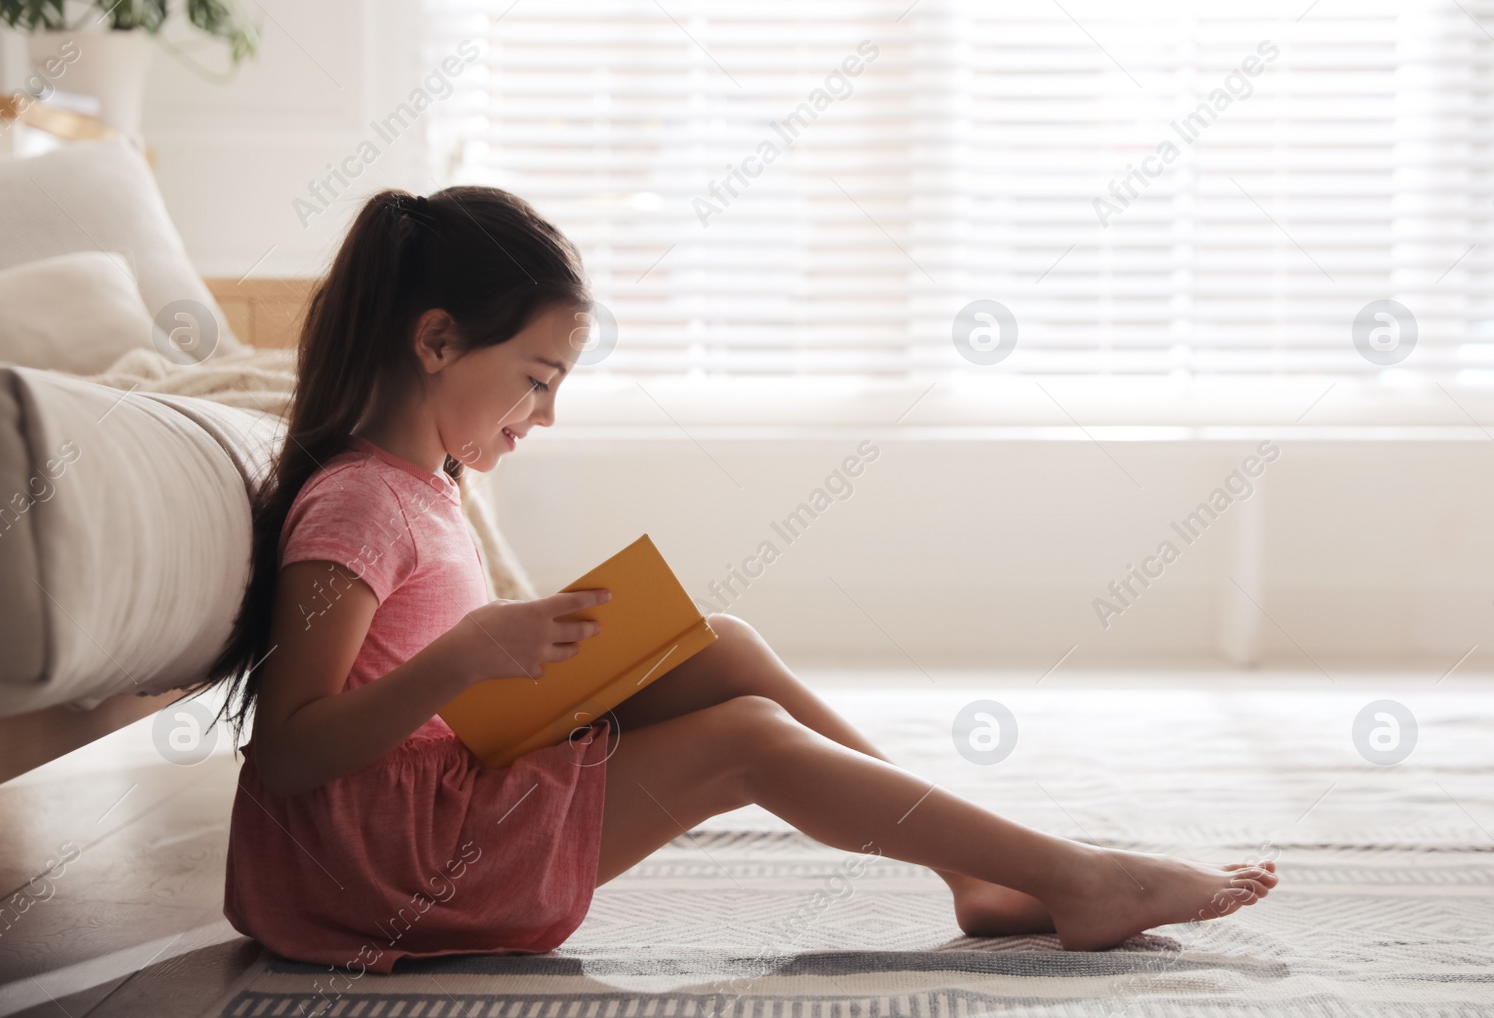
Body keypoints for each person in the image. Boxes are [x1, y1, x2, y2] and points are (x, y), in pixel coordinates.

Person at [203, 186, 1277, 974]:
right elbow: (295, 746)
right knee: (746, 734)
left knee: (714, 641)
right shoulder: (353, 502)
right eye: (535, 381)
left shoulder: (420, 486)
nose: (544, 416)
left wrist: (506, 667)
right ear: (437, 340)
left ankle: (979, 867)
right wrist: (469, 656)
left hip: (427, 804)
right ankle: (1077, 878)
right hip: (384, 864)